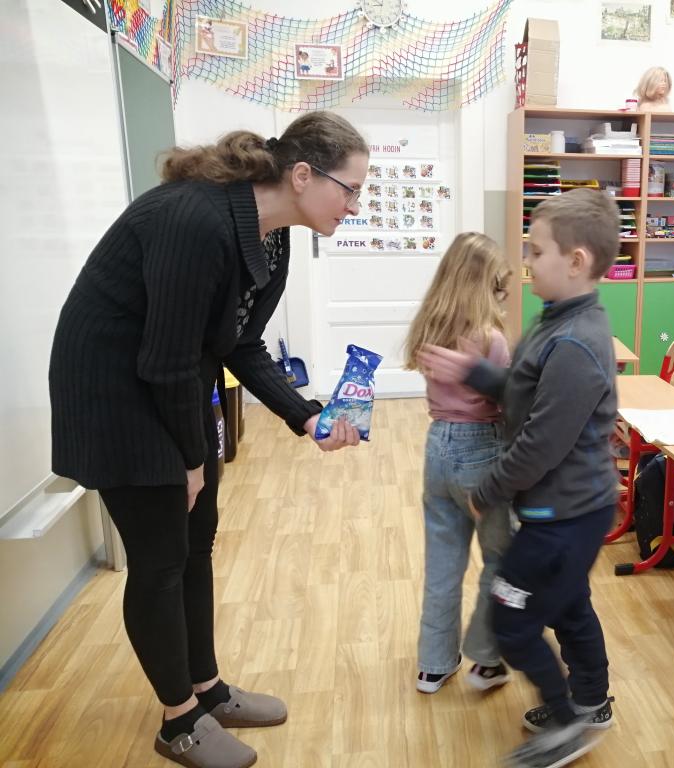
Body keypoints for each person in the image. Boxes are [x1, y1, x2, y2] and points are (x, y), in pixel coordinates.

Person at [49, 112, 369, 768]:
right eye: (351, 189)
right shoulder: (194, 220)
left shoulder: (273, 238)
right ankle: (179, 723)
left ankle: (208, 689)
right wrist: (191, 459)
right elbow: (165, 360)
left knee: (198, 542)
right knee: (162, 559)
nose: (355, 206)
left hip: (170, 380)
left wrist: (306, 416)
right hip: (113, 392)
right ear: (302, 175)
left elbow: (239, 344)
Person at [418, 189, 620, 768]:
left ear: (576, 261)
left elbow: (540, 441)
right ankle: (588, 703)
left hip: (566, 514)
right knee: (568, 604)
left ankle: (568, 723)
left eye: (535, 250)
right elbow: (526, 395)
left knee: (511, 618)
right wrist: (477, 372)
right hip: (558, 509)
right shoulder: (555, 321)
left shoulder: (576, 341)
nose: (525, 261)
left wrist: (487, 492)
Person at [402, 232, 514, 694]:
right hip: (482, 450)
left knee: (443, 563)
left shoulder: (430, 330)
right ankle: (486, 660)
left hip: (437, 447)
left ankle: (433, 665)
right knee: (500, 558)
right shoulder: (491, 339)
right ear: (487, 284)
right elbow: (510, 401)